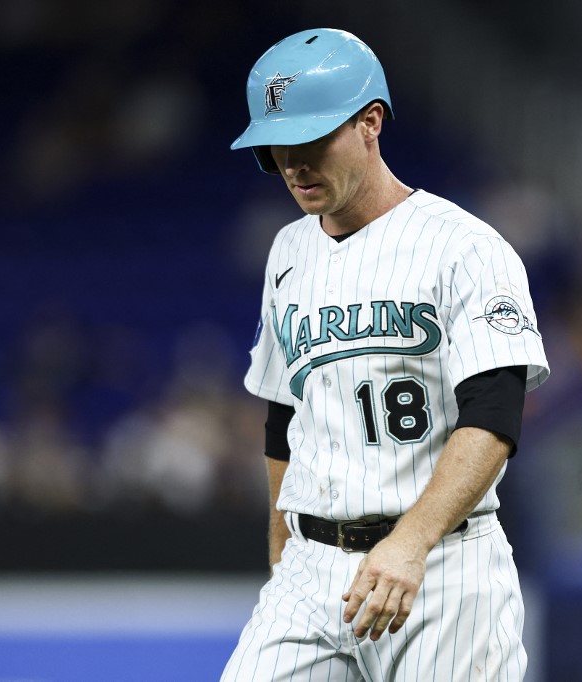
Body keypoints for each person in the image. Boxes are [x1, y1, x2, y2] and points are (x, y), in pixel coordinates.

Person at [221, 28, 549, 681]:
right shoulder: (287, 253)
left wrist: (414, 538)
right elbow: (285, 420)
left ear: (371, 122)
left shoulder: (466, 248)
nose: (294, 162)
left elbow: (494, 415)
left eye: (312, 139)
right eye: (278, 145)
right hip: (314, 567)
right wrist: (283, 554)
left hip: (442, 567)